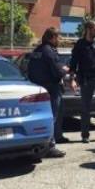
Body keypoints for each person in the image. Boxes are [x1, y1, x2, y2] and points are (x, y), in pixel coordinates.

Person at [25, 28, 68, 158]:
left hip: (38, 89)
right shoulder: (49, 52)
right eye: (58, 38)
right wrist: (65, 69)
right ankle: (50, 147)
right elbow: (58, 72)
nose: (59, 40)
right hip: (51, 89)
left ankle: (40, 144)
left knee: (41, 118)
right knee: (52, 118)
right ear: (51, 38)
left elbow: (30, 70)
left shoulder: (37, 51)